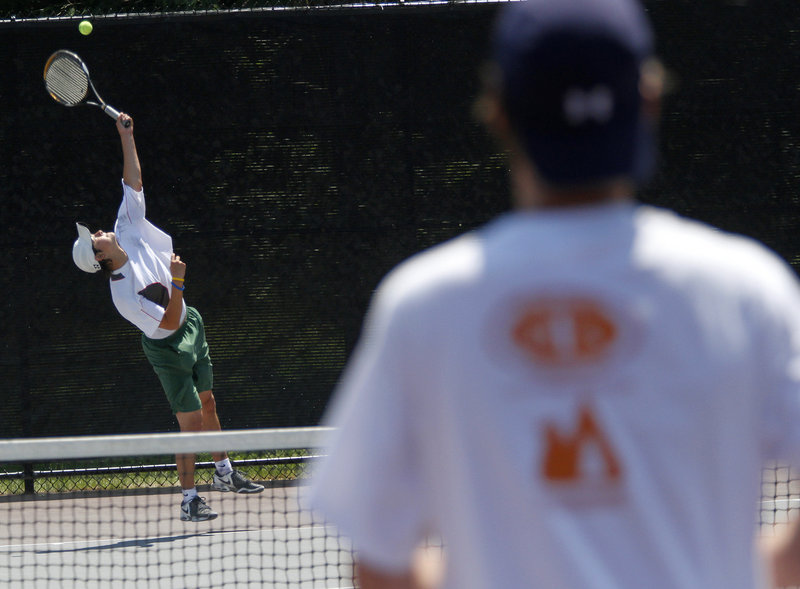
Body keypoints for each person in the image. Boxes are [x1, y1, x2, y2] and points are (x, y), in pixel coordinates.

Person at [307, 0, 800, 587]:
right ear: (648, 101)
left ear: (498, 112)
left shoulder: (423, 305)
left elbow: (379, 564)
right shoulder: (747, 291)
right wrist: (757, 570)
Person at [72, 113, 264, 522]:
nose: (99, 232)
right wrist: (177, 281)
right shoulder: (124, 296)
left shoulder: (126, 229)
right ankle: (190, 499)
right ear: (101, 259)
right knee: (190, 421)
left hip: (190, 322)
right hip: (167, 346)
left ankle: (225, 473)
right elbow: (165, 318)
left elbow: (133, 183)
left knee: (210, 403)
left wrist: (127, 136)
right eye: (95, 239)